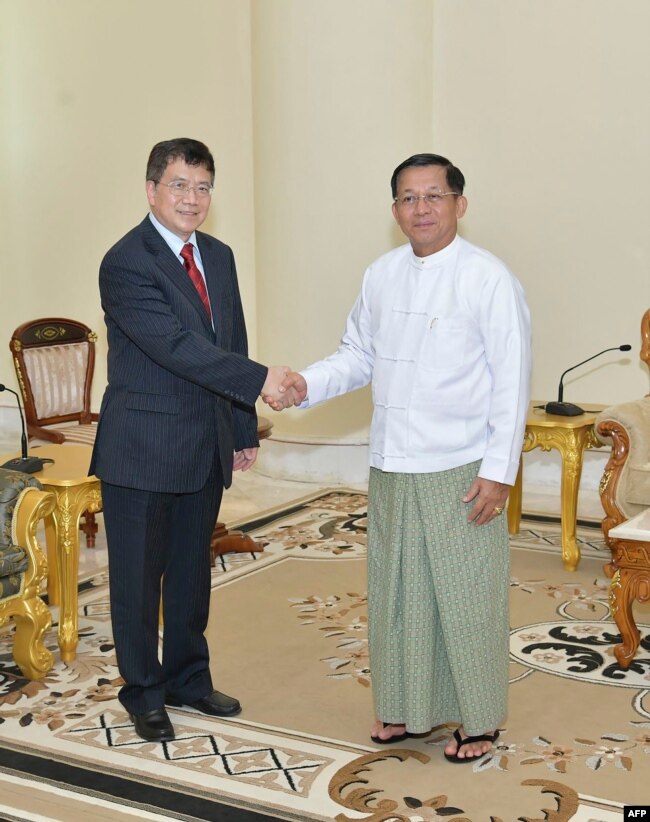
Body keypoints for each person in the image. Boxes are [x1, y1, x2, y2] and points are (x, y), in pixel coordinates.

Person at [264, 153, 531, 762]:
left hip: (461, 466)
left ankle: (480, 719)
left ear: (460, 204)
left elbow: (512, 380)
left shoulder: (488, 278)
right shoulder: (381, 274)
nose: (422, 209)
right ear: (394, 211)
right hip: (393, 464)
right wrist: (306, 382)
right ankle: (407, 710)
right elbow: (358, 354)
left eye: (434, 196)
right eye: (409, 198)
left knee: (465, 595)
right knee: (399, 592)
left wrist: (499, 472)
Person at [90, 138, 294, 743]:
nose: (192, 198)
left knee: (190, 574)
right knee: (136, 579)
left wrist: (237, 427)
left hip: (202, 443)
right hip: (143, 450)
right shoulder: (126, 261)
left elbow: (227, 339)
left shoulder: (220, 255)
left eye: (203, 186)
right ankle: (144, 692)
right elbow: (177, 350)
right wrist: (264, 381)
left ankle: (188, 679)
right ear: (151, 189)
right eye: (179, 185)